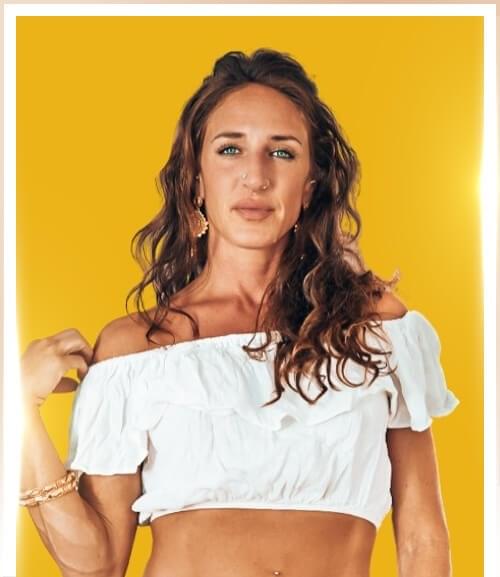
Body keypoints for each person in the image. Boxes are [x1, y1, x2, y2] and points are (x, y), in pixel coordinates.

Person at [20, 48, 459, 577]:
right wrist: (17, 410)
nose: (255, 176)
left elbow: (422, 539)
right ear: (196, 181)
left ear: (310, 187)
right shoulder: (136, 350)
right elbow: (95, 565)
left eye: (282, 153)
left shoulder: (374, 329)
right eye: (230, 149)